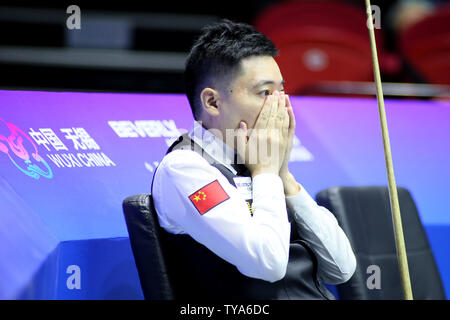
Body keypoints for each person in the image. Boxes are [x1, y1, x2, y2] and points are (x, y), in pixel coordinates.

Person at [151, 19, 356, 300]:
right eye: (264, 93)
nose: (280, 105)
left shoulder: (260, 161)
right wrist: (267, 173)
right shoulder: (187, 168)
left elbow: (342, 269)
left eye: (281, 91)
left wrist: (285, 180)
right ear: (212, 102)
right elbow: (268, 264)